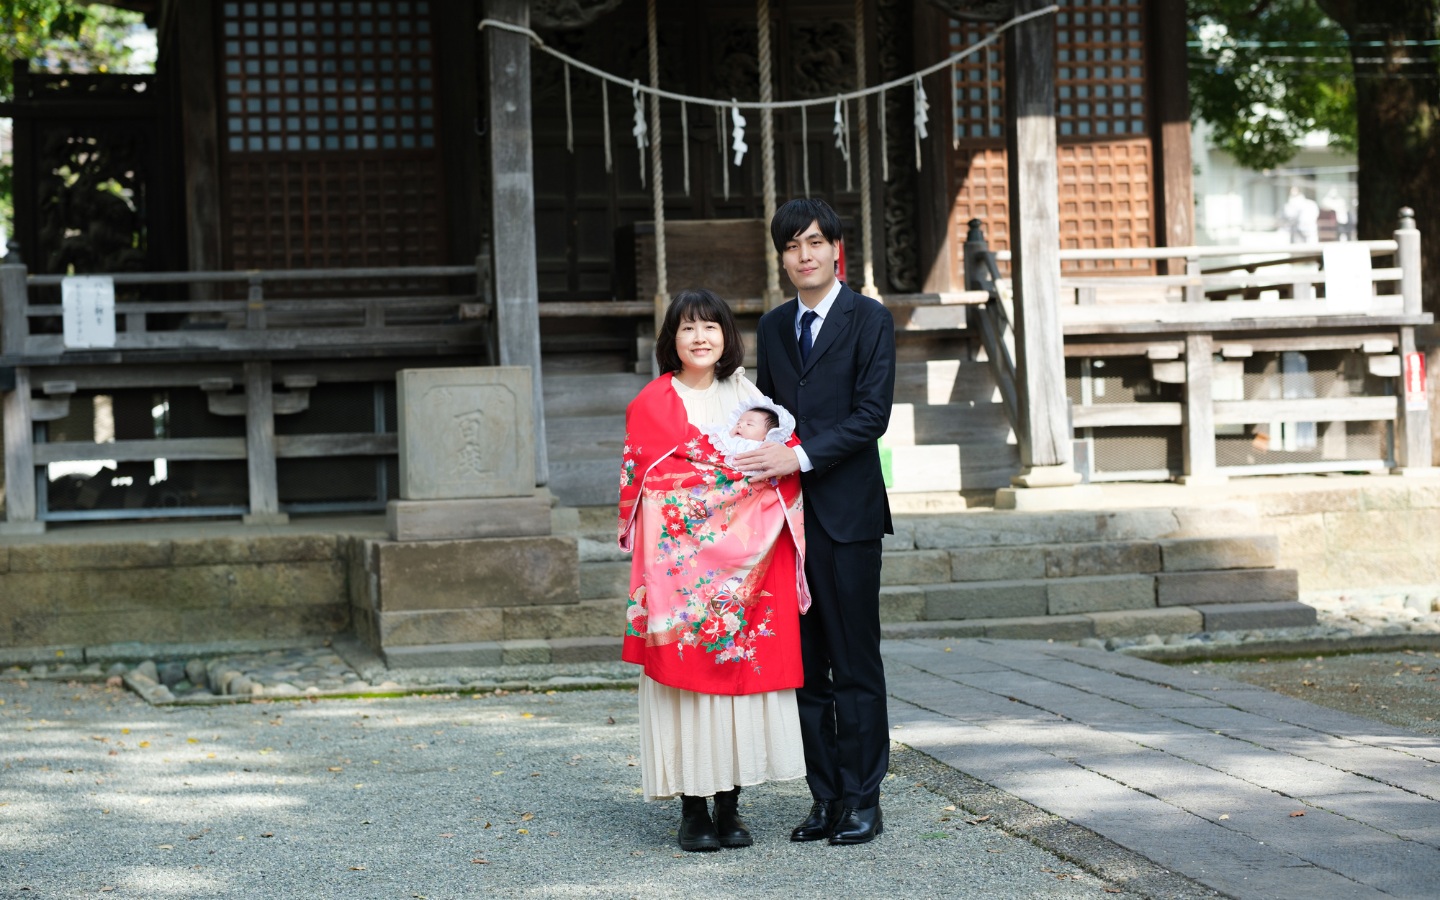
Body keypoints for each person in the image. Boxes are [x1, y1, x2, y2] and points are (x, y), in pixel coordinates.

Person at [617, 289, 811, 853]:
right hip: (680, 571)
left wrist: (739, 485)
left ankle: (730, 803)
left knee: (736, 686)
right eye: (687, 328)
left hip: (746, 566)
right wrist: (713, 490)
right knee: (684, 682)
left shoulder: (749, 397)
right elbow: (647, 484)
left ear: (727, 336)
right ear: (671, 340)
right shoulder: (653, 402)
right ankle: (693, 808)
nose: (700, 337)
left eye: (711, 327)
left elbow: (779, 462)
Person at [733, 197, 897, 846]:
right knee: (802, 669)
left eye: (814, 243)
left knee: (855, 664)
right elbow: (771, 411)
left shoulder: (870, 319)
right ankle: (825, 797)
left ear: (836, 250)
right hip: (787, 520)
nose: (804, 255)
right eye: (791, 246)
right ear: (782, 258)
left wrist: (797, 456)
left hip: (848, 516)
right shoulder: (774, 326)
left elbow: (871, 416)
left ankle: (863, 799)